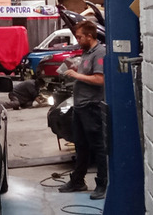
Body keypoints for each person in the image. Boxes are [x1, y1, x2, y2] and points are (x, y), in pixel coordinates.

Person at [57, 20, 107, 200]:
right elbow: (87, 74)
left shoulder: (100, 53)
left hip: (91, 106)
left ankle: (102, 183)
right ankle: (78, 181)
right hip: (80, 106)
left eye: (79, 37)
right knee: (81, 145)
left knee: (98, 146)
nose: (77, 40)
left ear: (89, 36)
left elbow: (100, 79)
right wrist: (74, 69)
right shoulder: (87, 52)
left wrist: (77, 75)